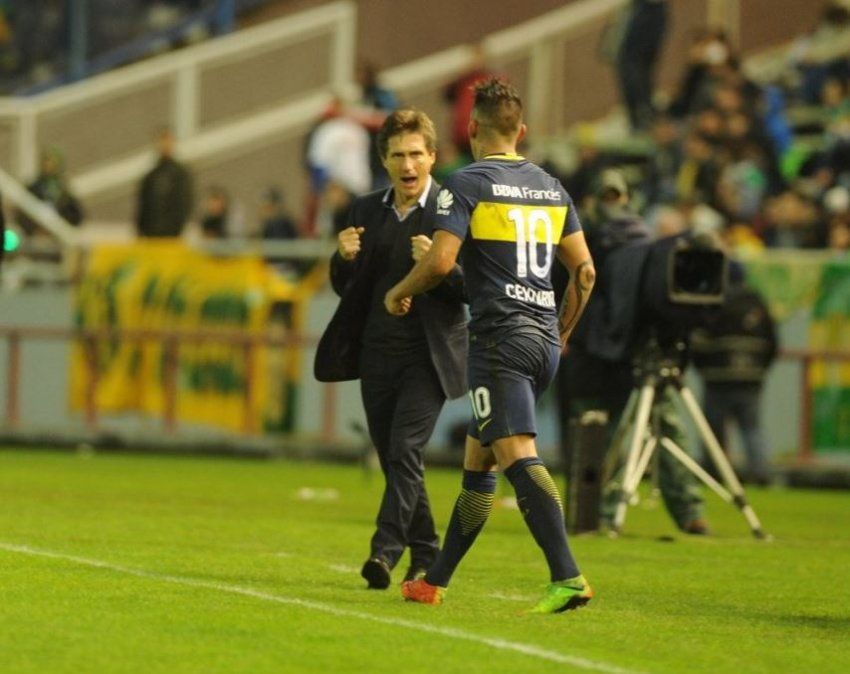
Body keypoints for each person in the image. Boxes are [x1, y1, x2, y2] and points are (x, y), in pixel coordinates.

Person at [385, 78, 596, 614]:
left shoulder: (467, 183)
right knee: (479, 462)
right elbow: (585, 272)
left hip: (499, 340)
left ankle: (567, 576)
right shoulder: (552, 188)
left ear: (472, 127)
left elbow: (441, 263)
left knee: (516, 454)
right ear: (521, 131)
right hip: (541, 341)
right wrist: (560, 334)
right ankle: (434, 580)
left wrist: (399, 290)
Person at [314, 108, 468, 590]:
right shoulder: (364, 211)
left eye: (416, 154)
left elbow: (471, 288)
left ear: (433, 157)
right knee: (396, 458)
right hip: (377, 351)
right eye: (398, 155)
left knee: (404, 449)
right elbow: (348, 287)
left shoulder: (453, 209)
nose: (408, 164)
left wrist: (442, 269)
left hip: (428, 355)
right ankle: (427, 553)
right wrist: (341, 259)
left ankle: (384, 551)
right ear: (384, 160)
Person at [557, 169, 708, 535]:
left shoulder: (638, 247)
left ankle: (686, 512)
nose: (611, 205)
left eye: (616, 196)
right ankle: (591, 512)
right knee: (594, 434)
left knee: (659, 427)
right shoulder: (581, 241)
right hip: (591, 352)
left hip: (618, 349)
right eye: (606, 196)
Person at [690, 266, 778, 486]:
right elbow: (773, 342)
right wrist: (760, 370)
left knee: (713, 431)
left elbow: (698, 339)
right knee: (751, 429)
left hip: (717, 377)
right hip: (751, 378)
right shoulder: (756, 302)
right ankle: (760, 473)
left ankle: (715, 473)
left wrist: (703, 369)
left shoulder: (714, 301)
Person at [616, 0, 669, 130]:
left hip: (650, 9)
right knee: (633, 66)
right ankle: (640, 115)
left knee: (634, 67)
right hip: (646, 9)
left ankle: (643, 113)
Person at [136, 127, 194, 238]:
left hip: (172, 235)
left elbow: (184, 203)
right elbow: (143, 205)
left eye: (168, 141)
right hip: (150, 234)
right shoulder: (151, 175)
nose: (164, 145)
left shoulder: (180, 174)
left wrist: (177, 228)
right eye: (162, 141)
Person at [18, 147, 84, 237]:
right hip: (36, 236)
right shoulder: (33, 188)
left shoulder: (63, 190)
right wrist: (34, 229)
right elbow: (22, 213)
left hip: (58, 236)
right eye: (46, 162)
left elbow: (76, 215)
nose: (48, 166)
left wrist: (61, 227)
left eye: (52, 163)